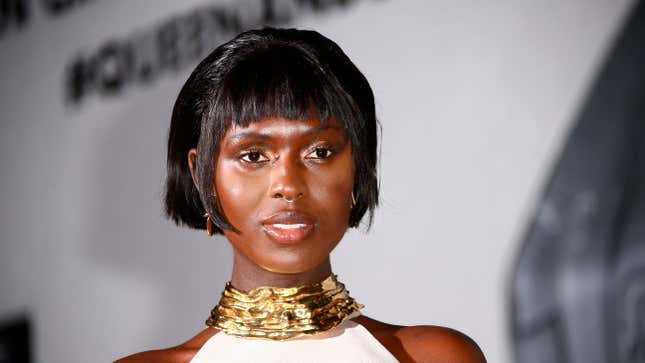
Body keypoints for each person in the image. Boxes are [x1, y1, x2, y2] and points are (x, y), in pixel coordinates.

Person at [116, 27, 486, 363]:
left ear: (359, 167)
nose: (289, 185)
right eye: (254, 156)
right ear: (201, 176)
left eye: (320, 152)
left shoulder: (436, 357)